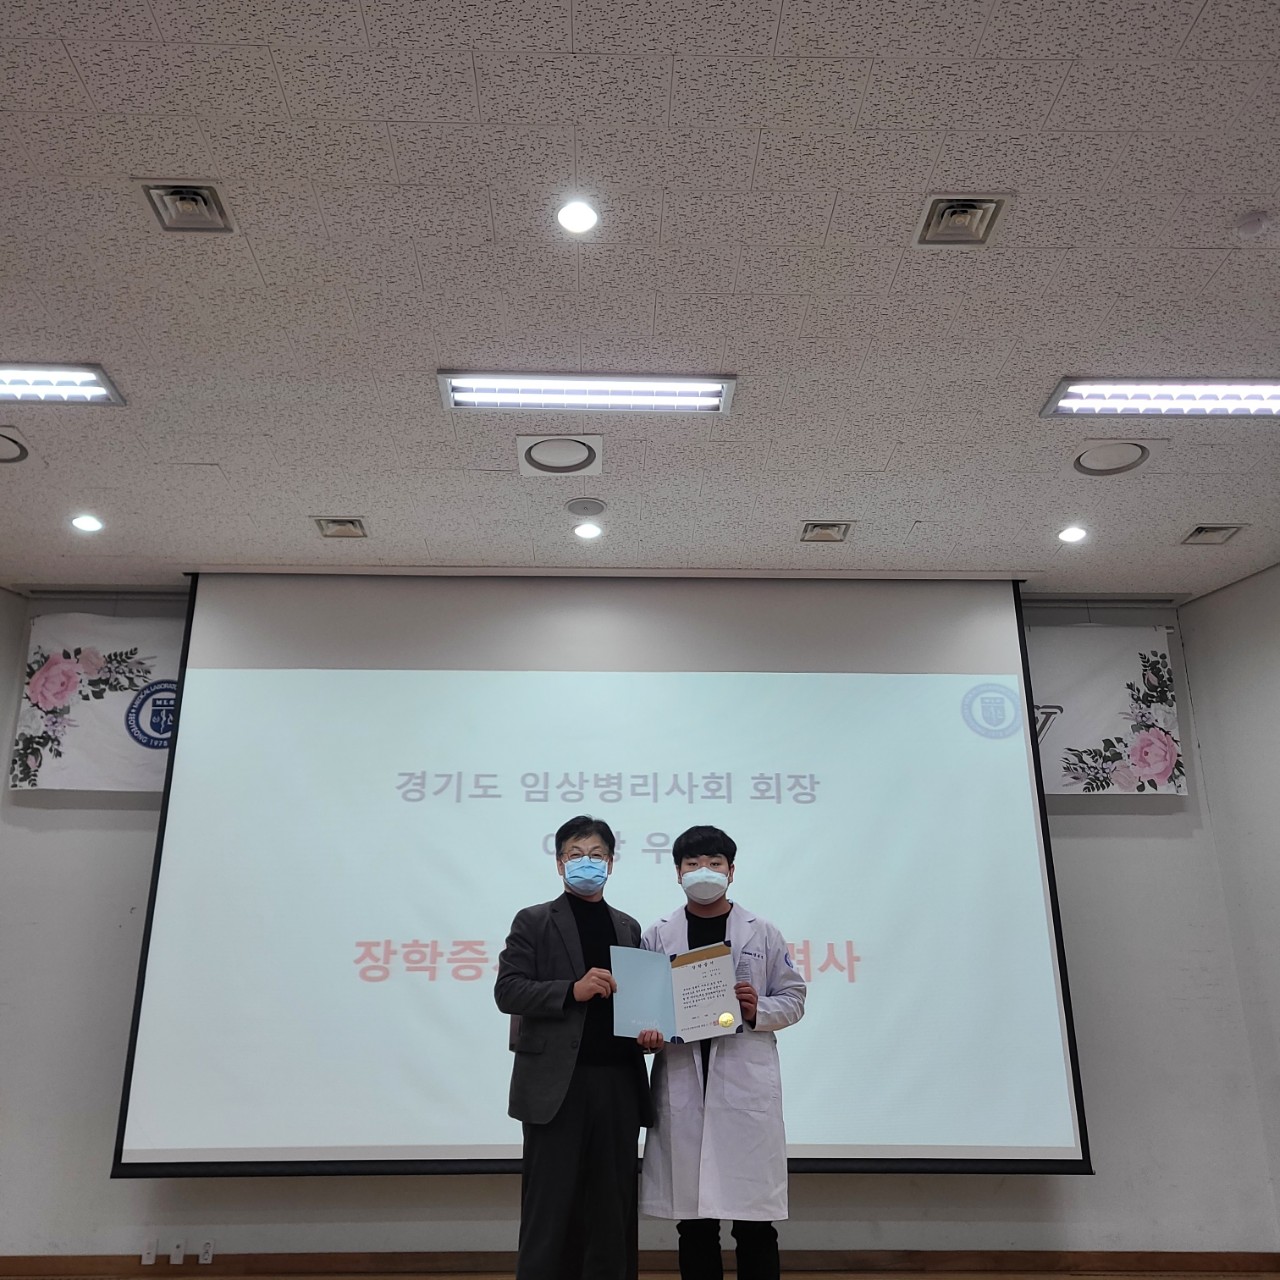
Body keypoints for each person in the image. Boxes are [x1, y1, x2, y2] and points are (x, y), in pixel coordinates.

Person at [637, 825, 806, 1280]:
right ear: (678, 873)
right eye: (692, 864)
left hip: (743, 1083)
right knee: (694, 1226)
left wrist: (757, 1009)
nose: (703, 872)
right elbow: (644, 1009)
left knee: (755, 1225)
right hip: (683, 1080)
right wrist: (647, 1034)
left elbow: (794, 999)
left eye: (714, 863)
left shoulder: (762, 932)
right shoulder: (658, 935)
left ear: (731, 871)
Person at [494, 815, 652, 1280]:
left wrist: (652, 1032)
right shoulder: (534, 921)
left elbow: (638, 1004)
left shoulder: (628, 927)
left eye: (597, 855)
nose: (588, 863)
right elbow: (508, 991)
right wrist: (571, 991)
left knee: (612, 1206)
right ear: (560, 864)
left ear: (612, 863)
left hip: (618, 1083)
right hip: (555, 1088)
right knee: (550, 1207)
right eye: (576, 855)